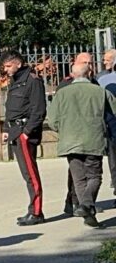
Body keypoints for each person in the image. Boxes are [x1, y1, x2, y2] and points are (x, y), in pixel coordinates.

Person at [48, 62, 116, 228]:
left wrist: (64, 129)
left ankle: (87, 212)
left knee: (79, 179)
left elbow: (52, 121)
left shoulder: (61, 93)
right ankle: (86, 205)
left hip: (69, 141)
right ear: (90, 73)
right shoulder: (100, 91)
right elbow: (113, 112)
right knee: (94, 176)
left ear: (72, 75)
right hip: (93, 140)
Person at [0, 50, 48, 225]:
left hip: (24, 133)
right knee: (26, 174)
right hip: (15, 131)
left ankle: (36, 212)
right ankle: (33, 210)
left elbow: (39, 110)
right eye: (4, 67)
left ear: (18, 64)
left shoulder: (32, 81)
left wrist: (26, 132)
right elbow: (12, 108)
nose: (6, 70)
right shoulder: (16, 80)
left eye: (8, 66)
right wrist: (6, 128)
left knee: (31, 175)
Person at [96, 48, 116, 197]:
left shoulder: (102, 80)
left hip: (111, 125)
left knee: (114, 160)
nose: (104, 62)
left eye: (108, 60)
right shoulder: (101, 78)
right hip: (110, 126)